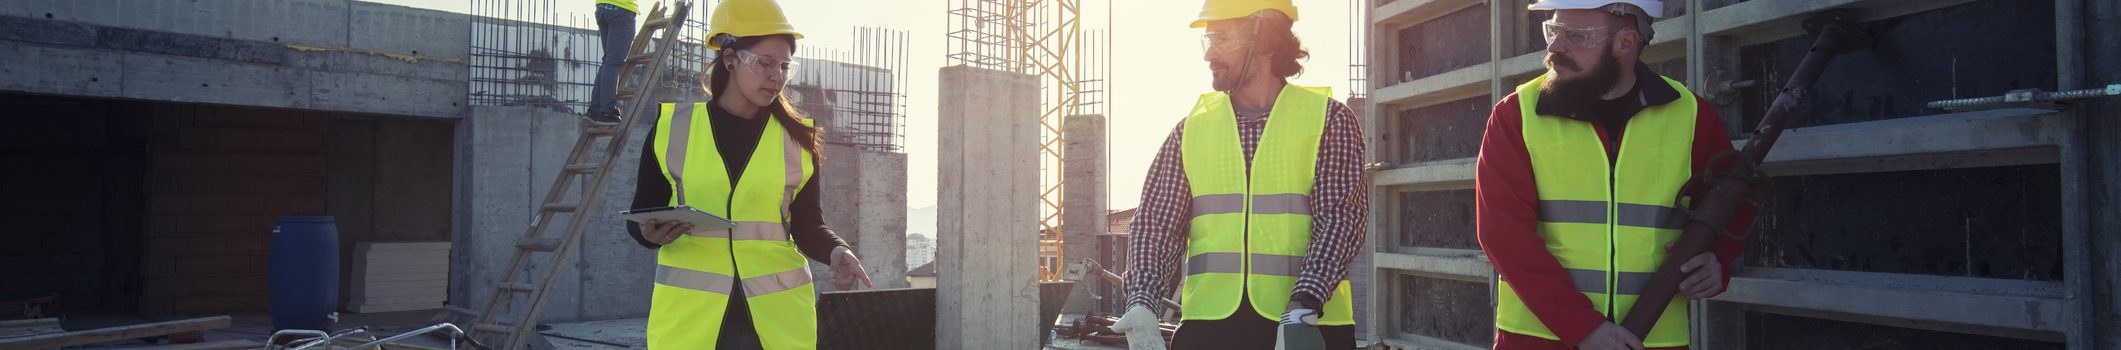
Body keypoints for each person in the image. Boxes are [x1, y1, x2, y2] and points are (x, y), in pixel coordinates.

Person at [1474, 1, 1755, 349]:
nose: (1555, 47)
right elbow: (1503, 234)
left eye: (1574, 35)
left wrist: (1717, 260)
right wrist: (1581, 326)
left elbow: (1733, 202)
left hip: (1652, 340)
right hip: (1539, 340)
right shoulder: (1516, 116)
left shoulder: (1692, 115)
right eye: (1553, 30)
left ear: (1626, 42)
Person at [1109, 0, 1368, 348]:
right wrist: (1142, 302)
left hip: (1307, 325)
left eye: (1222, 39)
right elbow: (1156, 223)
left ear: (1266, 39)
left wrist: (1304, 305)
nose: (1208, 54)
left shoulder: (1328, 120)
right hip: (1210, 330)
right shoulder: (1191, 130)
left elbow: (1341, 218)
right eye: (1208, 40)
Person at [624, 0, 869, 348]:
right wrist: (649, 232)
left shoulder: (797, 138)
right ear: (729, 59)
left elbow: (807, 224)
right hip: (691, 321)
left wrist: (837, 250)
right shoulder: (672, 129)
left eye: (785, 66)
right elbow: (640, 214)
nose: (777, 77)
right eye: (764, 63)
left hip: (776, 321)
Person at [586, 0, 636, 123]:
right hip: (621, 9)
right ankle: (607, 111)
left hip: (602, 8)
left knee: (608, 60)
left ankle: (594, 111)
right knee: (613, 62)